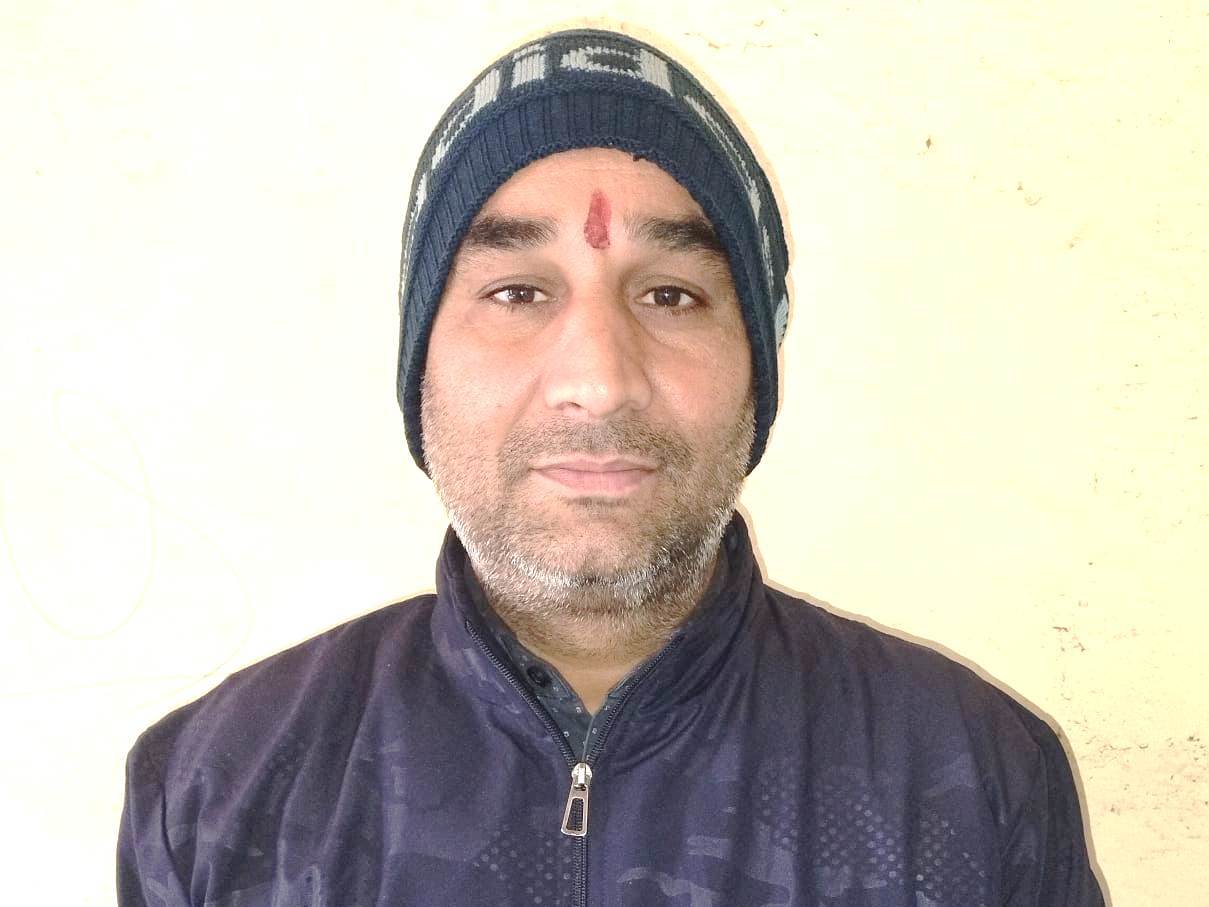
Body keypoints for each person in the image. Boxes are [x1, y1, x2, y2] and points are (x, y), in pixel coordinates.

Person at [118, 28, 1104, 906]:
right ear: (420, 366)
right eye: (517, 291)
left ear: (756, 368)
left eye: (670, 295)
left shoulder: (973, 777)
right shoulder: (217, 788)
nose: (597, 381)